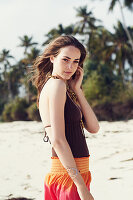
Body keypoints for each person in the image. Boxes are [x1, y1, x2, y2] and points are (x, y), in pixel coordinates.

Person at [31, 35, 100, 200]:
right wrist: (81, 187)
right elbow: (58, 140)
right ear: (53, 58)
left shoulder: (61, 86)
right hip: (69, 177)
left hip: (72, 174)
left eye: (76, 61)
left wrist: (77, 90)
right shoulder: (57, 85)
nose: (70, 66)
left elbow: (94, 127)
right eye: (66, 59)